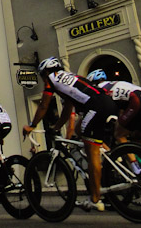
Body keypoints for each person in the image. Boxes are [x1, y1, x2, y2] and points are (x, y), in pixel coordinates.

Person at [22, 57, 117, 212]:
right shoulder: (70, 78)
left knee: (91, 152)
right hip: (108, 102)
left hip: (95, 108)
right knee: (81, 131)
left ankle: (95, 198)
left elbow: (44, 105)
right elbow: (67, 109)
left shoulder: (51, 80)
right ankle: (111, 156)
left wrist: (31, 126)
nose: (43, 79)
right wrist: (56, 127)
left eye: (42, 75)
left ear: (46, 72)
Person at [86, 69, 141, 152]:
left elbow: (106, 109)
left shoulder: (101, 89)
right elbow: (122, 108)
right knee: (138, 139)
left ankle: (134, 164)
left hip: (138, 102)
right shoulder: (116, 83)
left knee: (119, 135)